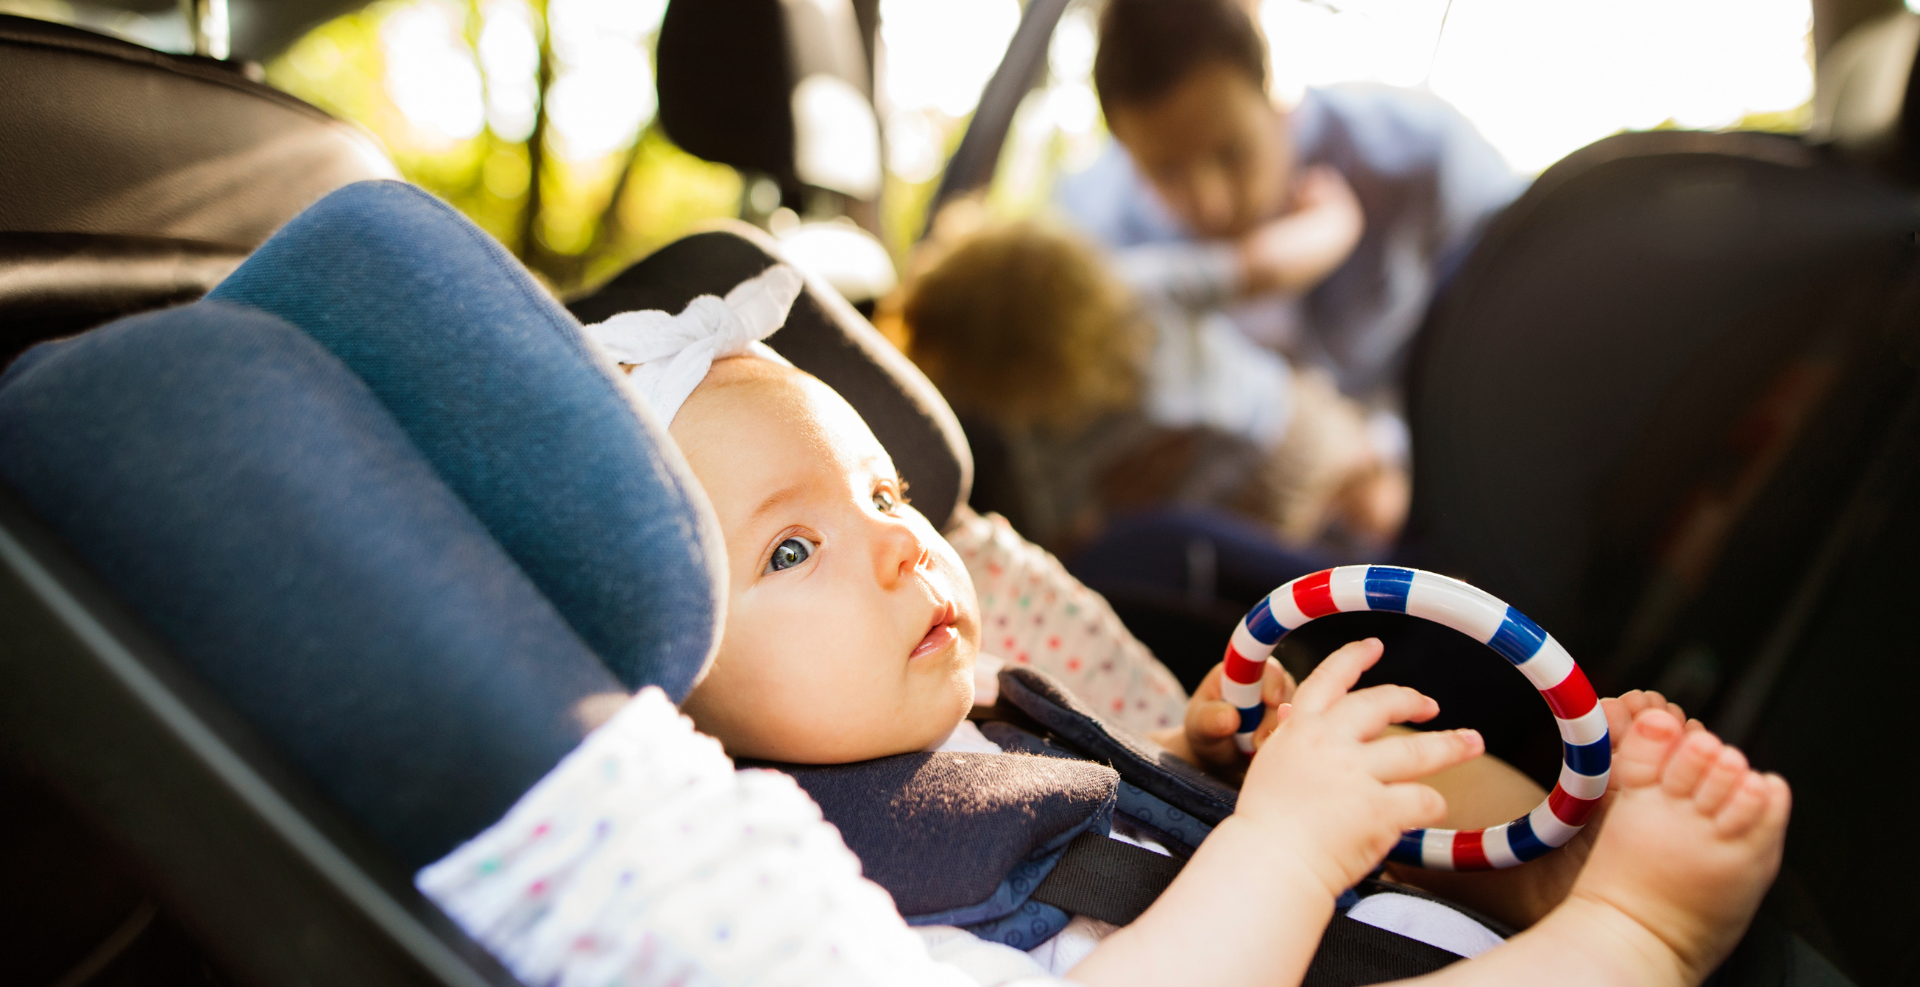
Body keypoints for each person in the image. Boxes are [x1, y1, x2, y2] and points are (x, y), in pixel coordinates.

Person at [462, 264, 1787, 987]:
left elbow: (1083, 799)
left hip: (1377, 924)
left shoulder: (979, 705)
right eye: (792, 549)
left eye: (884, 492)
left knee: (1376, 742)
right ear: (659, 683)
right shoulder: (795, 893)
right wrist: (1282, 845)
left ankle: (1548, 862)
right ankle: (1637, 936)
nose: (896, 542)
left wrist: (1195, 752)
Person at [1057, 0, 1528, 409]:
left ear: (1273, 92)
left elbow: (1532, 288)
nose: (1210, 203)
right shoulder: (1096, 235)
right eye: (1165, 172)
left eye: (1230, 153)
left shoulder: (1418, 154)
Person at [903, 220, 1407, 551]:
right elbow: (1264, 265)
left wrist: (1112, 509)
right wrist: (1334, 217)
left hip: (1249, 493)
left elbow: (1065, 535)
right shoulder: (1136, 290)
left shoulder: (1039, 424)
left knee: (1349, 526)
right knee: (1380, 512)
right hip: (1277, 437)